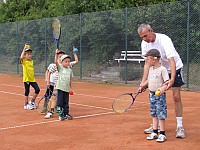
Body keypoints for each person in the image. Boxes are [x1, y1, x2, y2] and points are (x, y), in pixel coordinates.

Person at [137, 23, 185, 138]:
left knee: (176, 97)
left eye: (146, 36)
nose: (144, 39)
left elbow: (171, 60)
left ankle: (179, 126)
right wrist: (143, 83)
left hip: (174, 68)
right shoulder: (144, 44)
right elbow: (147, 64)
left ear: (151, 31)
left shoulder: (164, 40)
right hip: (157, 70)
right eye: (142, 37)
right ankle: (156, 126)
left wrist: (172, 79)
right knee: (156, 97)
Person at [139, 49, 169, 142]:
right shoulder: (151, 69)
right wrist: (142, 86)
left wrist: (162, 89)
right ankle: (155, 132)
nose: (147, 61)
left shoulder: (162, 69)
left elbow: (167, 82)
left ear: (154, 59)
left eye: (148, 59)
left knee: (161, 114)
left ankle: (162, 134)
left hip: (160, 96)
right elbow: (149, 80)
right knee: (154, 114)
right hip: (151, 95)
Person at [44, 49, 78, 119]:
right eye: (59, 56)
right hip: (56, 85)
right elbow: (48, 72)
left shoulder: (68, 66)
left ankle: (64, 113)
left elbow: (76, 62)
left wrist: (74, 54)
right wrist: (47, 81)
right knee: (53, 100)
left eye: (62, 56)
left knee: (63, 101)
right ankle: (50, 112)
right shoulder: (55, 66)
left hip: (65, 87)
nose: (61, 57)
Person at [20, 43, 40, 110]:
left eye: (30, 54)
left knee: (37, 89)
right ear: (25, 55)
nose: (29, 55)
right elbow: (21, 57)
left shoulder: (31, 61)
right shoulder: (24, 61)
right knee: (27, 91)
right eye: (28, 54)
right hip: (27, 79)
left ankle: (32, 101)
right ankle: (25, 104)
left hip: (32, 79)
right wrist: (24, 49)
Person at [55, 51, 74, 121]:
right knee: (60, 102)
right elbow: (56, 63)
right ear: (62, 62)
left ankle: (66, 114)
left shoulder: (70, 70)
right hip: (60, 88)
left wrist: (70, 88)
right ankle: (61, 115)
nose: (67, 63)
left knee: (66, 102)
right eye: (66, 61)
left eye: (68, 62)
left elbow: (70, 80)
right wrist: (56, 55)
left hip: (67, 89)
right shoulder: (60, 68)